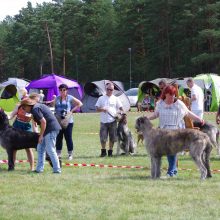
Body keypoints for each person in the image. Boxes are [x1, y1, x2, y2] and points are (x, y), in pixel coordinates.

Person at [147, 85, 205, 177]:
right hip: (162, 133)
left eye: (174, 95)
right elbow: (155, 114)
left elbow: (188, 113)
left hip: (175, 133)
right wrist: (147, 118)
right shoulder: (160, 103)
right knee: (157, 153)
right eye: (170, 95)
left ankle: (172, 172)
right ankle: (156, 173)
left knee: (172, 153)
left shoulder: (179, 104)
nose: (172, 97)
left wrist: (199, 119)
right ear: (165, 94)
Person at [20, 97, 61, 173]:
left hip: (51, 129)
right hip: (48, 129)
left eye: (23, 107)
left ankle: (57, 170)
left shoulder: (35, 109)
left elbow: (43, 122)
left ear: (28, 105)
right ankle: (39, 169)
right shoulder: (35, 108)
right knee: (40, 148)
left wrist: (41, 135)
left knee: (50, 150)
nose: (23, 109)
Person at [54, 84, 83, 160]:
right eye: (60, 90)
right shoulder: (57, 98)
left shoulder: (70, 98)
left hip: (68, 121)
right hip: (58, 121)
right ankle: (58, 154)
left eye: (64, 90)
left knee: (68, 138)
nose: (62, 91)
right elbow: (54, 107)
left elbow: (80, 103)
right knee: (59, 138)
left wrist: (71, 111)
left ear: (67, 90)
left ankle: (70, 154)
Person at [95, 82, 123, 157]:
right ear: (105, 89)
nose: (109, 91)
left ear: (113, 90)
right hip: (103, 122)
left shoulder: (116, 98)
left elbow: (121, 109)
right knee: (103, 138)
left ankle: (110, 151)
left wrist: (119, 113)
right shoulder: (101, 98)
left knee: (112, 138)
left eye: (111, 89)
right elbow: (97, 109)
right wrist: (102, 109)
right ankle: (103, 151)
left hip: (113, 121)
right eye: (108, 89)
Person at [9, 99, 36, 171]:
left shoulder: (33, 109)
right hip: (16, 128)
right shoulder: (18, 106)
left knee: (28, 148)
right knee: (14, 149)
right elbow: (11, 115)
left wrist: (36, 133)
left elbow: (34, 123)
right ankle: (12, 167)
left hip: (27, 129)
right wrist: (5, 116)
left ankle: (32, 168)